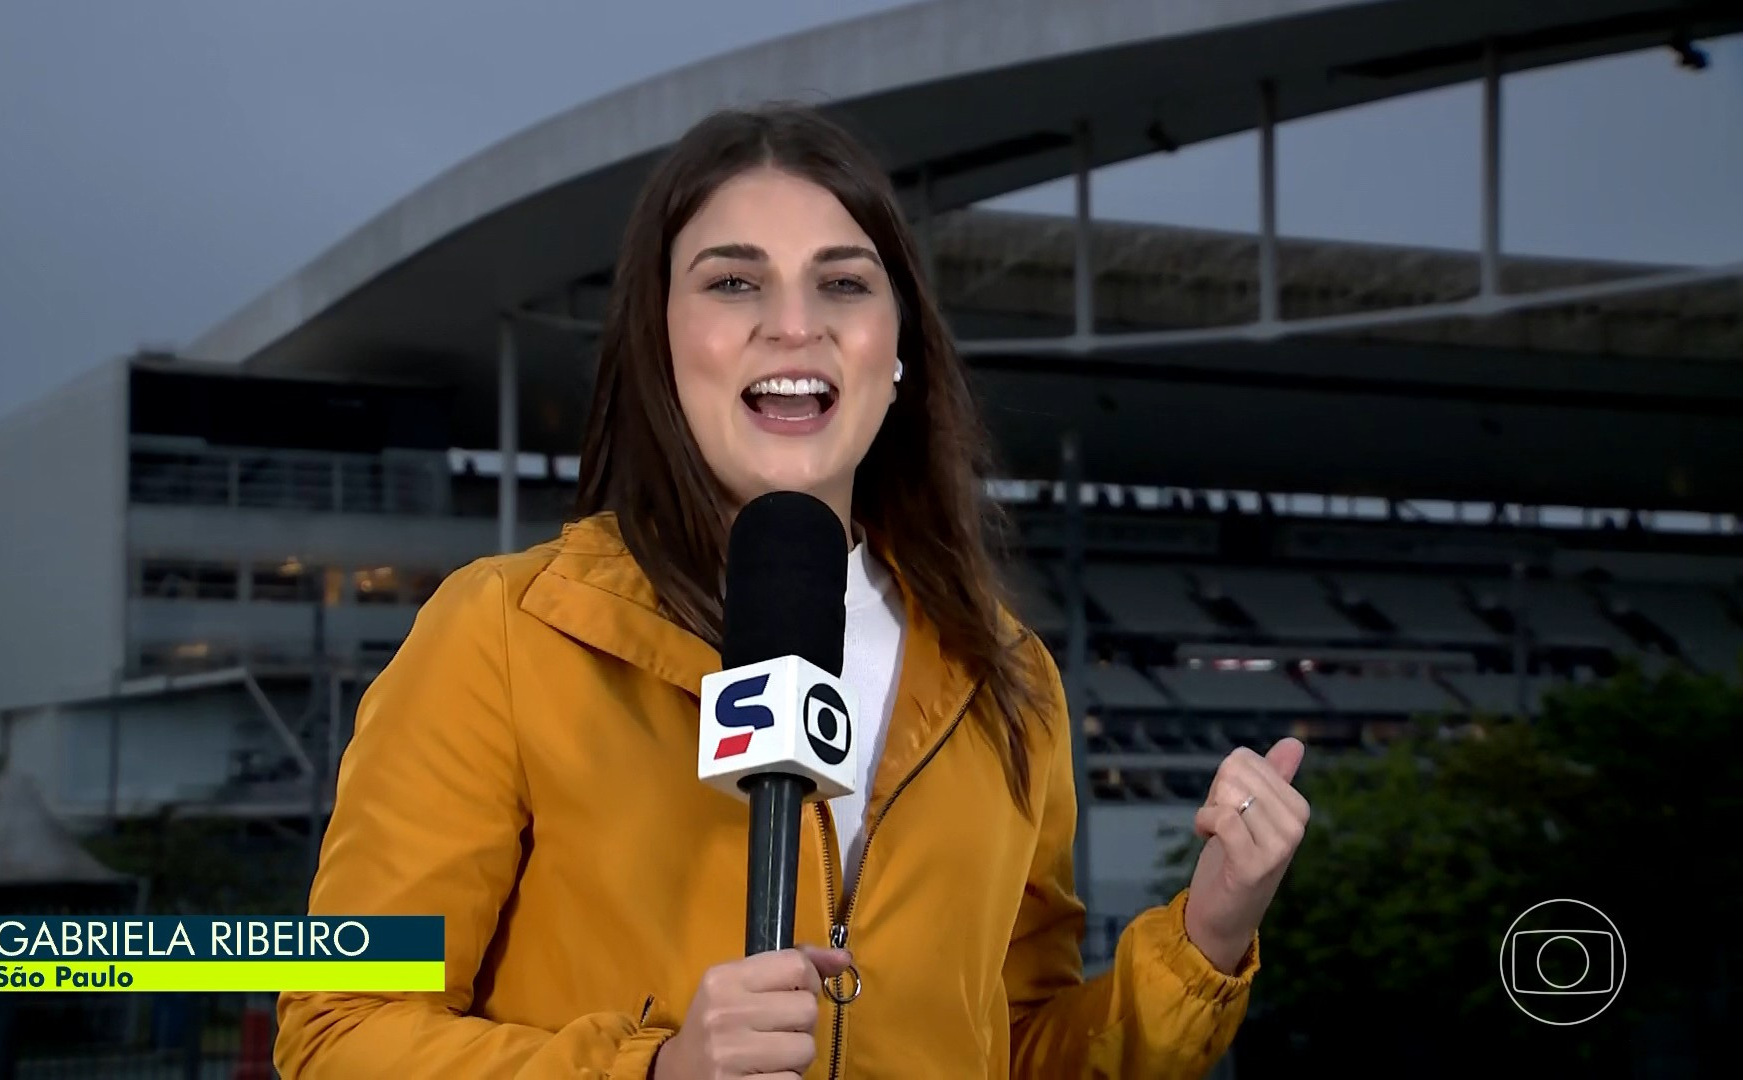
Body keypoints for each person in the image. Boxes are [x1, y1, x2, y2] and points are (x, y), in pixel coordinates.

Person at [273, 104, 1310, 1079]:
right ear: (659, 340)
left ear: (896, 349)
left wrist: (1207, 936)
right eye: (733, 283)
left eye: (844, 283)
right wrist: (654, 1068)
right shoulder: (502, 634)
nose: (793, 325)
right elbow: (336, 1032)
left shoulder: (1008, 681)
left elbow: (1020, 1047)